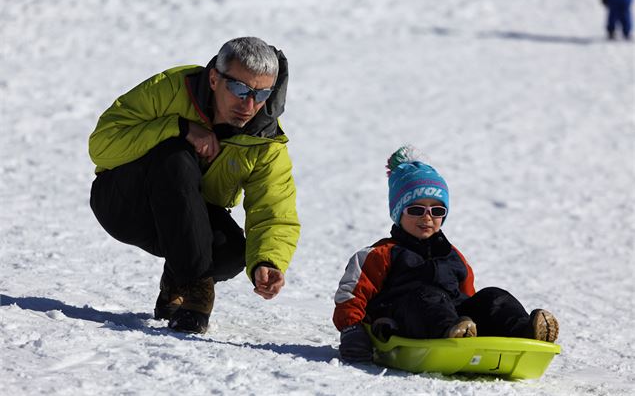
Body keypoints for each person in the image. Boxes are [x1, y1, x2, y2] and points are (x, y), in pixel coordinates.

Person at [89, 37, 300, 334]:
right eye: (240, 89)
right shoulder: (173, 89)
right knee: (175, 157)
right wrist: (180, 128)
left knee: (232, 254)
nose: (249, 105)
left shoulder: (265, 142)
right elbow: (101, 146)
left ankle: (176, 282)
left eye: (262, 93)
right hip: (123, 204)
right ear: (214, 79)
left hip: (183, 220)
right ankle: (196, 290)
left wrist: (269, 260)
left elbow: (274, 209)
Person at [332, 146, 559, 362]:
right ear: (398, 212)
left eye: (437, 210)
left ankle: (523, 331)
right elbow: (351, 295)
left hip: (456, 318)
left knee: (492, 296)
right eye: (416, 209)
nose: (427, 217)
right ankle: (452, 331)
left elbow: (468, 295)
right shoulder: (381, 254)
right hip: (406, 320)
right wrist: (353, 329)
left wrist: (484, 314)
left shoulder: (453, 256)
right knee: (427, 296)